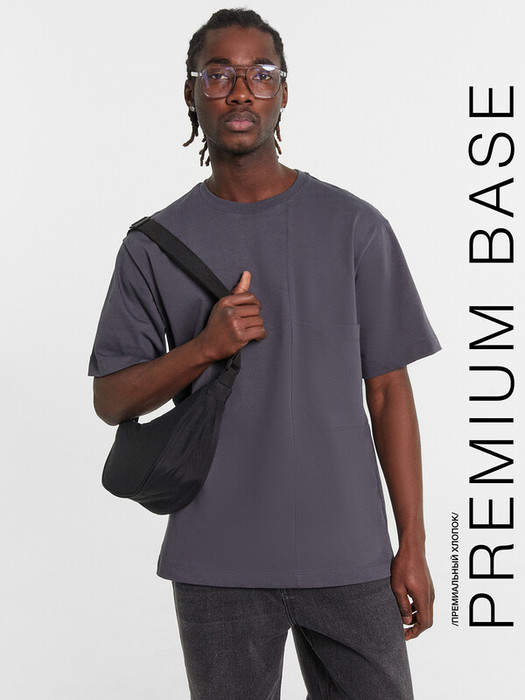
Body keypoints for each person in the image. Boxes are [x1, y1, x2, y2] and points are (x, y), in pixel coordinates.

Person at [89, 8, 441, 699]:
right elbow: (112, 399)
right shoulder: (153, 245)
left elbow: (388, 392)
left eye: (260, 73)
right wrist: (205, 347)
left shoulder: (355, 227)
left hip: (349, 554)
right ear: (191, 93)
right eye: (218, 74)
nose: (240, 90)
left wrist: (413, 544)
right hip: (217, 558)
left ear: (283, 92)